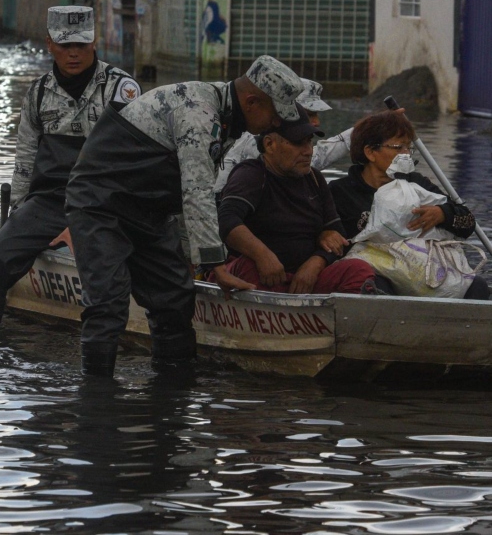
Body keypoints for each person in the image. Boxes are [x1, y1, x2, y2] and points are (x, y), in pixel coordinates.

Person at [65, 55, 304, 377]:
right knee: (108, 303)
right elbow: (197, 192)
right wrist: (214, 264)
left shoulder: (227, 115)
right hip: (99, 204)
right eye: (276, 115)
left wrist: (191, 254)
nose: (277, 124)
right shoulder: (198, 113)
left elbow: (185, 194)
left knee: (175, 299)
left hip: (150, 209)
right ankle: (96, 400)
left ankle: (173, 395)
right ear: (252, 101)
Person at [0, 6, 140, 329]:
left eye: (81, 44)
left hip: (104, 203)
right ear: (49, 44)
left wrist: (88, 223)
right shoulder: (37, 94)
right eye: (65, 46)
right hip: (49, 203)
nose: (74, 54)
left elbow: (133, 164)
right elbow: (24, 162)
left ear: (95, 43)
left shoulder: (121, 90)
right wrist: (14, 221)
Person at [328, 109, 489, 299]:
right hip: (378, 271)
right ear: (370, 152)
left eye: (408, 148)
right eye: (398, 147)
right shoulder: (341, 192)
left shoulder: (416, 184)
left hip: (423, 271)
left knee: (477, 286)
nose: (406, 154)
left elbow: (468, 222)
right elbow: (330, 240)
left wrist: (443, 213)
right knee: (372, 283)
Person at [219, 108, 376, 295]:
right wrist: (262, 255)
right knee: (248, 266)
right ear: (270, 144)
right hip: (264, 277)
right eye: (298, 143)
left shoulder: (315, 179)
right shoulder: (251, 174)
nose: (308, 151)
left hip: (305, 280)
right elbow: (227, 219)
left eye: (309, 142)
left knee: (359, 269)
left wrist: (316, 263)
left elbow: (338, 235)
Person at [214, 78, 352, 192]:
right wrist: (353, 135)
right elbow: (310, 161)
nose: (316, 122)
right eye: (310, 114)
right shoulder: (257, 137)